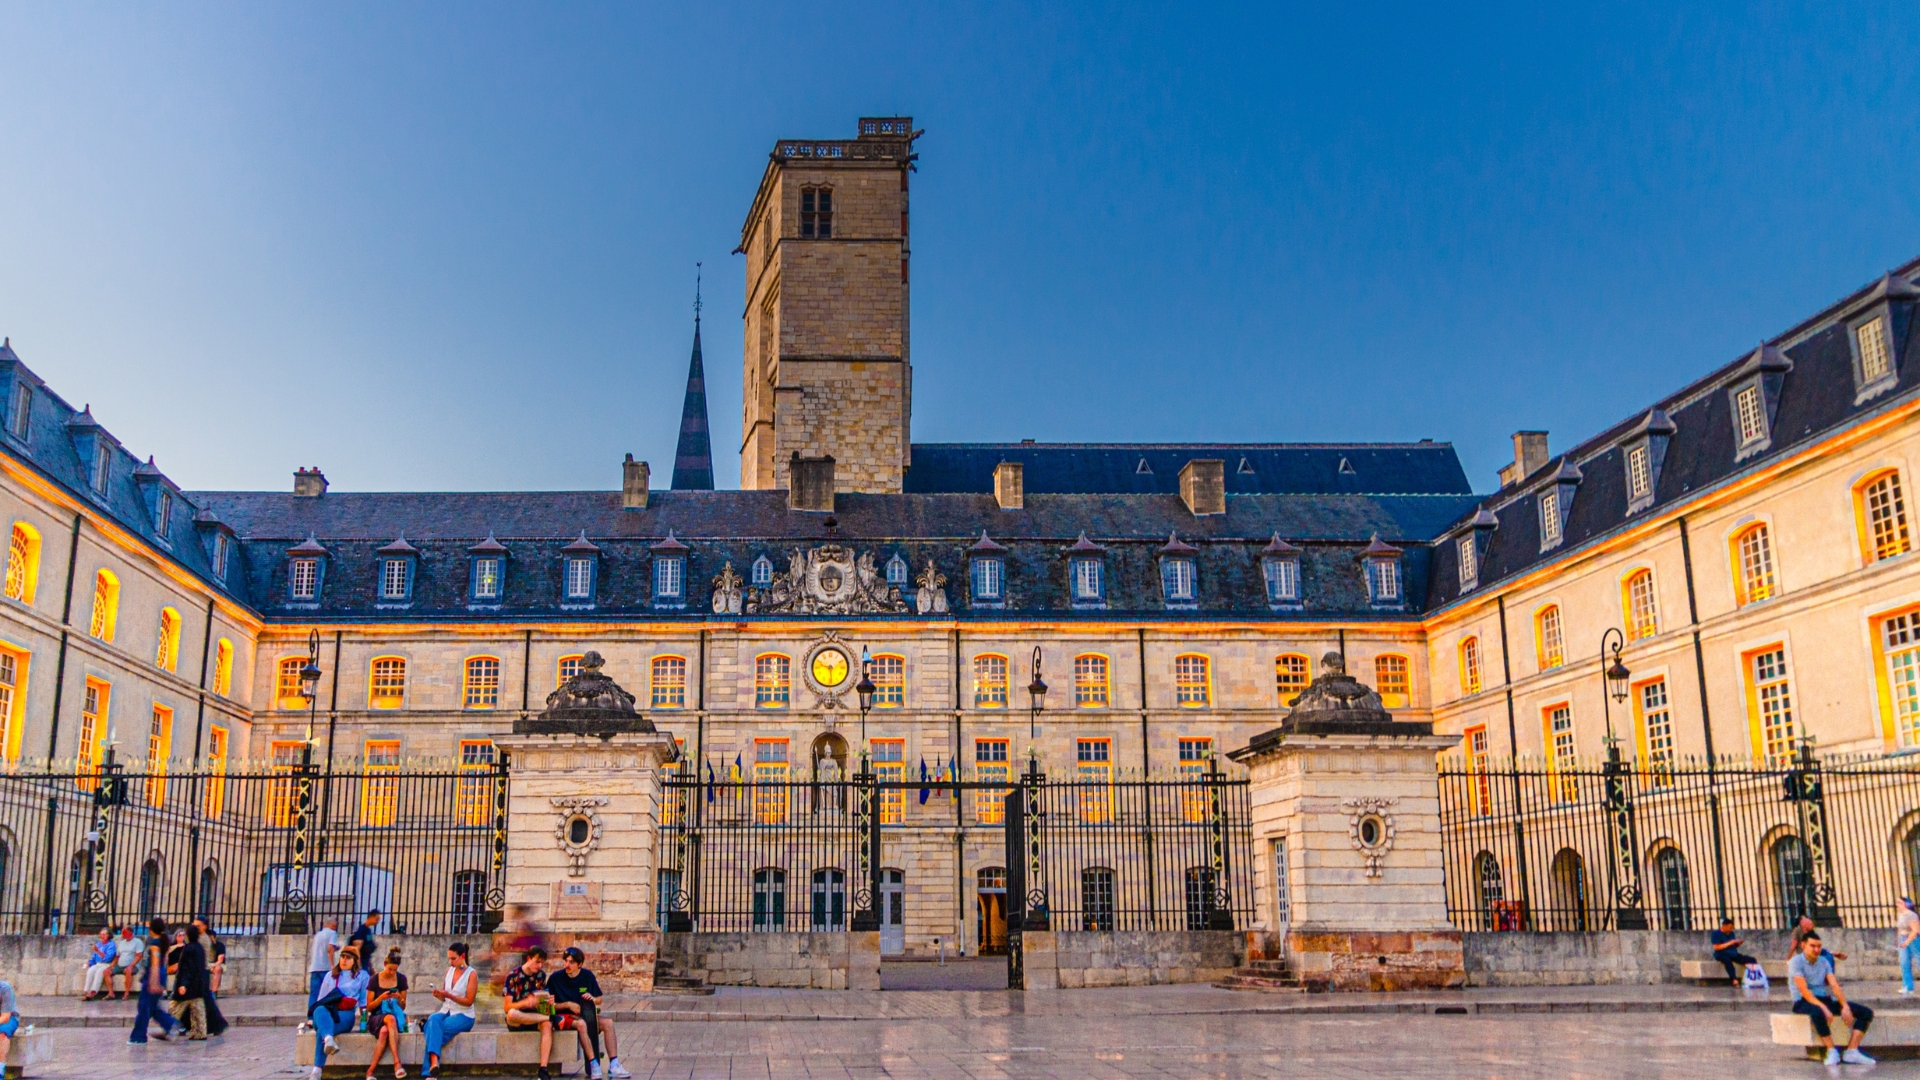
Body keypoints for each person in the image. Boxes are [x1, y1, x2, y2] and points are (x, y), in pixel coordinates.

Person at [1789, 931, 1875, 1065]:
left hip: (1823, 999)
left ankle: (1852, 1051)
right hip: (1802, 1001)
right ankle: (1831, 1050)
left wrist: (1845, 1006)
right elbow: (1804, 990)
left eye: (1819, 946)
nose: (1816, 950)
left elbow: (1834, 985)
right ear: (1803, 945)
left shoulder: (1824, 961)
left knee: (1866, 1012)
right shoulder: (1796, 962)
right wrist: (1823, 1007)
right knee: (1818, 1012)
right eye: (1812, 946)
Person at [547, 946, 631, 1080]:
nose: (567, 965)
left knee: (608, 1023)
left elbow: (599, 999)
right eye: (566, 961)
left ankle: (614, 1064)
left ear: (579, 964)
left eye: (571, 962)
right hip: (565, 1016)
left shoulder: (587, 976)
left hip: (586, 1014)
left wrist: (592, 999)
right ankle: (594, 1064)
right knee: (581, 1025)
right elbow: (549, 1005)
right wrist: (568, 1004)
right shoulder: (555, 978)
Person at [307, 946, 369, 1080]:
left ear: (355, 961)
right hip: (327, 1011)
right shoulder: (331, 975)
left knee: (322, 1031)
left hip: (345, 1014)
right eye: (342, 957)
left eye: (348, 958)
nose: (344, 960)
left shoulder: (362, 976)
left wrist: (365, 1021)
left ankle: (317, 1070)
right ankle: (328, 1039)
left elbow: (364, 1002)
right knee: (319, 1009)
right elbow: (321, 1000)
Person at [421, 942, 479, 1080]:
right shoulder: (449, 971)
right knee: (433, 1019)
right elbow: (445, 997)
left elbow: (469, 1001)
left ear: (462, 956)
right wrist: (439, 995)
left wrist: (449, 995)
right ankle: (434, 1063)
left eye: (453, 958)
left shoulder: (472, 974)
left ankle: (430, 1072)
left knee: (433, 1030)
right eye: (449, 958)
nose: (450, 961)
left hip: (464, 1015)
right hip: (447, 1009)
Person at [503, 947, 558, 1080]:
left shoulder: (541, 976)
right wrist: (525, 1003)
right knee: (511, 1014)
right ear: (529, 958)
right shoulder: (513, 976)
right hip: (518, 1018)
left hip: (535, 1017)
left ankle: (543, 1069)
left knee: (546, 1025)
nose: (539, 966)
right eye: (537, 962)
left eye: (541, 963)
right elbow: (507, 1007)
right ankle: (549, 1018)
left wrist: (548, 1002)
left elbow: (542, 1001)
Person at [128, 918, 179, 1045]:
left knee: (144, 1006)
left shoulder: (155, 943)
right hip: (160, 973)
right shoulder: (164, 942)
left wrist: (154, 982)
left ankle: (138, 1036)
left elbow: (155, 964)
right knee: (151, 1006)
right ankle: (170, 1024)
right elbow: (164, 960)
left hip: (153, 974)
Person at [366, 948, 410, 1080]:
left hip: (393, 1017)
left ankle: (370, 1072)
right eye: (390, 969)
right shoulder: (374, 979)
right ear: (385, 964)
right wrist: (381, 998)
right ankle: (397, 1063)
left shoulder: (401, 979)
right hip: (376, 1017)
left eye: (394, 970)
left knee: (385, 1032)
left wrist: (398, 998)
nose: (392, 972)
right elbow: (369, 1007)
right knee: (390, 1019)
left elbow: (403, 1006)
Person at [168, 923, 210, 1040]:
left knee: (175, 1009)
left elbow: (187, 968)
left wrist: (183, 984)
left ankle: (168, 1030)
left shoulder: (189, 949)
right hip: (198, 984)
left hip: (187, 986)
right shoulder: (199, 948)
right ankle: (199, 1033)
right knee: (198, 1011)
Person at [191, 917, 229, 1036]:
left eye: (198, 926)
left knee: (203, 1000)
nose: (195, 928)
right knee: (201, 1001)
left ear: (204, 926)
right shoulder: (199, 939)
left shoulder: (204, 940)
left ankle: (216, 1024)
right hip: (199, 971)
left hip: (201, 972)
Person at [1708, 918, 1758, 986]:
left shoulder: (1731, 933)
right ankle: (1734, 980)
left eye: (1732, 928)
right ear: (1724, 926)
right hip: (1721, 953)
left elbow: (1732, 946)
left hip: (1732, 953)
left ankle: (1752, 979)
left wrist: (1738, 944)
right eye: (1729, 927)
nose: (1731, 929)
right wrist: (1730, 943)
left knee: (1752, 960)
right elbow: (1717, 947)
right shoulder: (1716, 933)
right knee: (1728, 961)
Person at [308, 915, 341, 1008]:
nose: (335, 928)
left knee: (314, 993)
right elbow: (329, 949)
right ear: (332, 925)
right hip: (325, 968)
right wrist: (333, 966)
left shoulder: (318, 935)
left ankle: (311, 1016)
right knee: (327, 993)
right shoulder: (332, 934)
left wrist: (335, 948)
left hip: (315, 967)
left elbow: (321, 948)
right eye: (335, 926)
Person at [83, 926, 116, 1000]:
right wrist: (89, 963)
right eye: (101, 934)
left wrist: (98, 951)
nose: (102, 936)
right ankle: (86, 991)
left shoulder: (111, 944)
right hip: (98, 964)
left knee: (99, 972)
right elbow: (94, 957)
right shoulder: (99, 944)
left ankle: (93, 992)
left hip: (107, 964)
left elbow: (108, 958)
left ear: (108, 935)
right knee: (90, 970)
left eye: (104, 934)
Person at [111, 924, 141, 1000]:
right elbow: (117, 956)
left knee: (128, 970)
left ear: (130, 932)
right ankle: (111, 993)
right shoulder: (121, 943)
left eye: (124, 932)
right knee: (106, 972)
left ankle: (126, 993)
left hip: (133, 965)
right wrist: (111, 965)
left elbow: (139, 956)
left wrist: (131, 965)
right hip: (120, 965)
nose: (122, 934)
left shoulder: (137, 942)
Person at [1899, 897, 1920, 996]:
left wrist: (1907, 942)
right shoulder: (1901, 915)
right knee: (1904, 963)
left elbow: (1915, 930)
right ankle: (1907, 987)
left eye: (1900, 902)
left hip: (1913, 939)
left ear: (1906, 904)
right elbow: (1900, 929)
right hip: (1903, 939)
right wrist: (1899, 941)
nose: (1897, 904)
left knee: (1918, 961)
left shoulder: (1912, 915)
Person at [0, 978, 18, 1064]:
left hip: (9, 1017)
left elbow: (5, 1017)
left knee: (1, 1035)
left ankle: (0, 1071)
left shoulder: (4, 988)